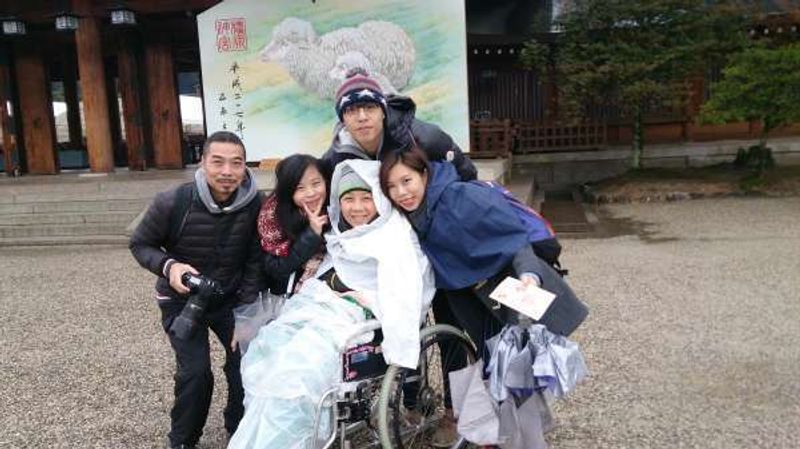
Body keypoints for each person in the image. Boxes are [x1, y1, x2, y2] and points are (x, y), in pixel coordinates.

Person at [228, 160, 434, 449]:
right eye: (348, 199)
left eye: (366, 198)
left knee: (300, 368)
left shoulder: (395, 237)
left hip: (355, 321)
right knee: (270, 350)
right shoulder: (341, 234)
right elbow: (322, 274)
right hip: (321, 308)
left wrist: (373, 309)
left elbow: (407, 294)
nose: (357, 207)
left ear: (379, 199)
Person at [379, 146, 589, 353]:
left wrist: (530, 273)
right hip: (468, 296)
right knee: (497, 362)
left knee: (530, 361)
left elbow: (512, 235)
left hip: (506, 283)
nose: (401, 193)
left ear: (424, 174)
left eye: (407, 181)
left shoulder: (462, 196)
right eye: (391, 186)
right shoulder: (405, 218)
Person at [130, 131, 265, 449]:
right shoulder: (173, 201)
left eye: (237, 163)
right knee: (196, 373)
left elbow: (254, 262)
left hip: (229, 299)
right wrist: (169, 266)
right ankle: (183, 441)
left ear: (246, 167)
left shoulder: (255, 205)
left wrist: (246, 315)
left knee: (245, 363)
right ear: (202, 162)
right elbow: (140, 243)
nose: (227, 172)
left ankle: (239, 432)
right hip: (181, 300)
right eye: (217, 162)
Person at [322, 68, 477, 181]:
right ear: (343, 120)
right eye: (351, 111)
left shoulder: (424, 138)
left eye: (370, 108)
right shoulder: (336, 155)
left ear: (383, 112)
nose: (362, 117)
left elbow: (465, 173)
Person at [257, 154, 330, 294]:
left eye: (316, 183)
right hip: (293, 296)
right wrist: (312, 234)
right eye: (300, 188)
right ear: (288, 191)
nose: (311, 193)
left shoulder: (338, 208)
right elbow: (276, 269)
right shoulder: (273, 217)